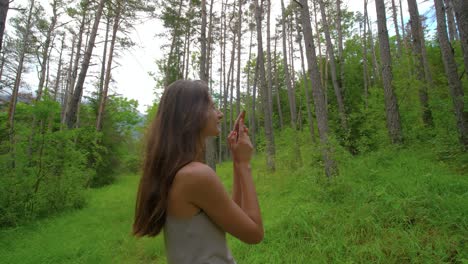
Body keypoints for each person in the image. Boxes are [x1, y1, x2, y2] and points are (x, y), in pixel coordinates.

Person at [132, 80, 263, 264]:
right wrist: (243, 164)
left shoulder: (178, 172)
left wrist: (235, 161)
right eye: (212, 106)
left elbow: (226, 216)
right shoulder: (196, 175)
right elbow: (254, 233)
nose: (220, 114)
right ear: (190, 114)